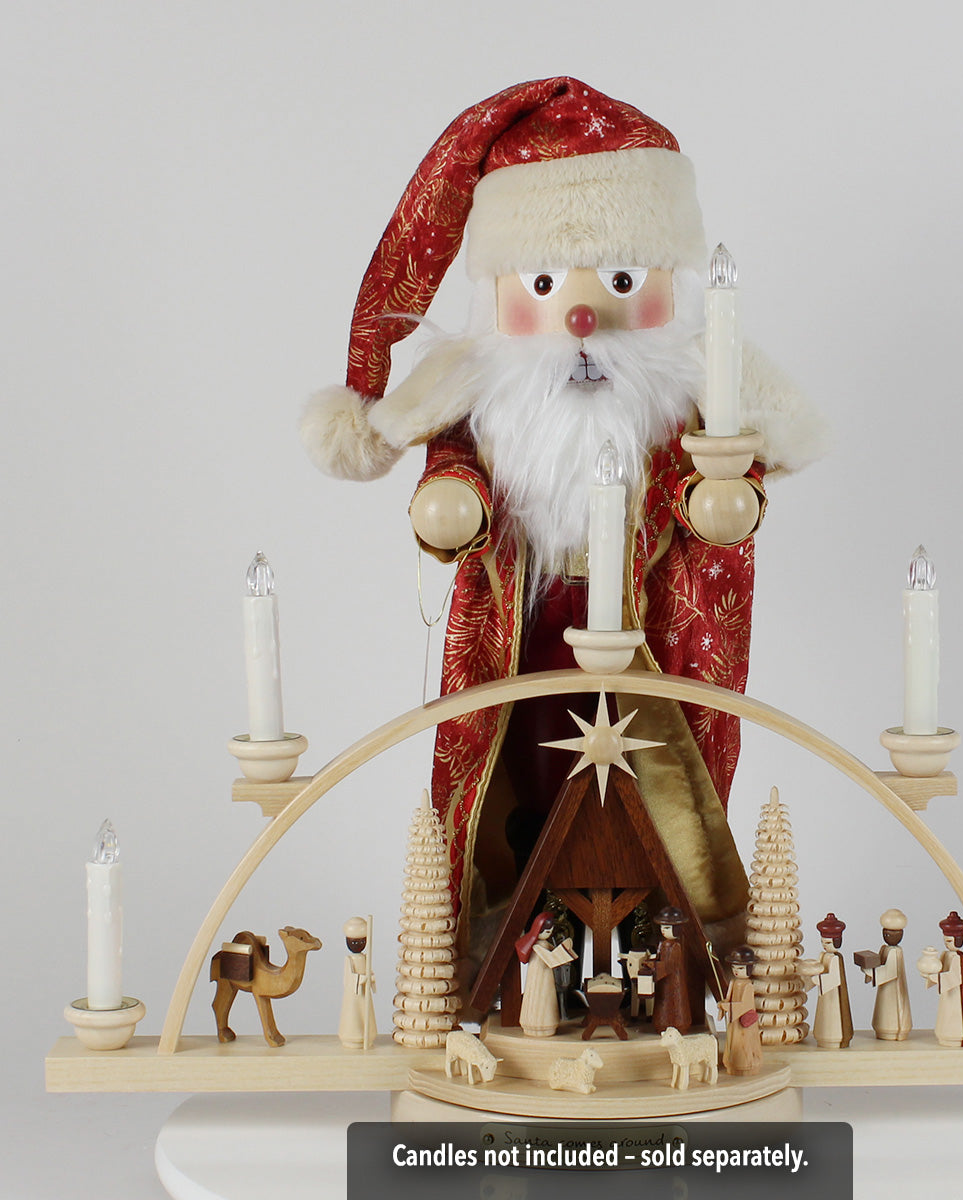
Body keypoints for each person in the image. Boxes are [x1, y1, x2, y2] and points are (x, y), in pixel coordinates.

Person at [301, 79, 827, 969]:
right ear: (503, 289)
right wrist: (454, 502)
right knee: (526, 779)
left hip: (648, 640)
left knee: (659, 790)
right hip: (526, 634)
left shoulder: (688, 387)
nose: (583, 315)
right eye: (544, 284)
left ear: (666, 280)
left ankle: (663, 945)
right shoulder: (486, 388)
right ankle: (519, 943)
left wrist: (722, 496)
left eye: (621, 281)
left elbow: (727, 469)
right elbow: (449, 463)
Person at [919, 911, 963, 1048]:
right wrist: (929, 972)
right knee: (945, 1014)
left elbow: (954, 978)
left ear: (959, 940)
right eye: (945, 940)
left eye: (949, 941)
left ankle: (956, 1036)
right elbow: (939, 968)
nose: (946, 944)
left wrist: (936, 978)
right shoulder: (946, 954)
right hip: (946, 993)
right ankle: (944, 1035)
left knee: (954, 1017)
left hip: (956, 995)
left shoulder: (958, 958)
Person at [515, 912, 576, 1038]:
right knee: (539, 998)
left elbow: (554, 951)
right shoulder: (537, 946)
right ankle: (535, 1023)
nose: (550, 933)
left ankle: (547, 1023)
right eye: (547, 931)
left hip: (546, 977)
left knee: (547, 998)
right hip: (538, 978)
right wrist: (564, 955)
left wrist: (565, 949)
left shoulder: (545, 944)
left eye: (551, 931)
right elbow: (551, 959)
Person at [858, 908, 912, 1041]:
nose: (888, 936)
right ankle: (883, 1029)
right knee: (883, 1011)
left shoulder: (895, 952)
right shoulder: (884, 948)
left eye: (892, 934)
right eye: (886, 933)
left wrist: (870, 971)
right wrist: (869, 966)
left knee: (892, 1014)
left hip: (893, 989)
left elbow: (889, 973)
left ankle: (893, 1030)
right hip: (884, 989)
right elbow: (879, 964)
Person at [802, 913, 853, 1049]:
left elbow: (834, 979)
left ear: (837, 942)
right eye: (823, 942)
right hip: (824, 994)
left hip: (833, 995)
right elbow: (817, 969)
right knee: (823, 1017)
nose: (825, 946)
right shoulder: (823, 956)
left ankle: (835, 1038)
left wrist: (816, 979)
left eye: (828, 943)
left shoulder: (836, 959)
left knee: (833, 1019)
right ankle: (823, 1037)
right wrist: (808, 977)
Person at [718, 945, 763, 1075]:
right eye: (734, 967)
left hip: (743, 1022)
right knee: (732, 1040)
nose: (736, 971)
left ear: (749, 968)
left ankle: (746, 1064)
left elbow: (745, 1005)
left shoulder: (748, 986)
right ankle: (731, 1063)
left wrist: (728, 1007)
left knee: (743, 1042)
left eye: (741, 968)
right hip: (734, 1021)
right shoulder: (733, 983)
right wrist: (723, 1004)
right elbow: (728, 999)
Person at [648, 907, 692, 1034]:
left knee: (675, 1002)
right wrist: (652, 962)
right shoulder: (662, 944)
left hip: (674, 981)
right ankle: (661, 1024)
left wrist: (655, 966)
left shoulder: (676, 946)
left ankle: (678, 1024)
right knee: (662, 1001)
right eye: (662, 927)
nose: (663, 930)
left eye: (667, 928)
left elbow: (671, 966)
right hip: (663, 981)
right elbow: (659, 958)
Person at [337, 917, 376, 1048]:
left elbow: (369, 971)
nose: (358, 945)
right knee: (353, 1015)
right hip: (353, 995)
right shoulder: (349, 959)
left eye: (361, 941)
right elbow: (349, 977)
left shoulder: (365, 958)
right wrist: (361, 979)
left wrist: (371, 978)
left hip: (364, 994)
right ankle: (352, 1036)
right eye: (354, 942)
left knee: (365, 1012)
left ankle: (367, 1036)